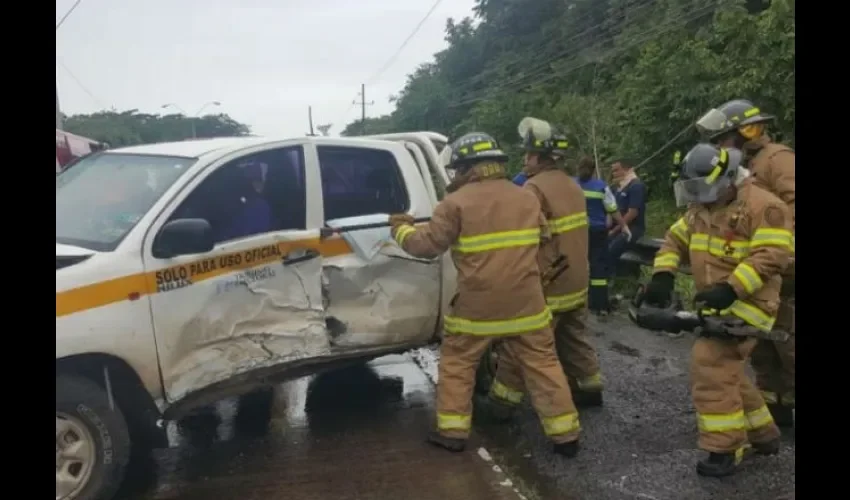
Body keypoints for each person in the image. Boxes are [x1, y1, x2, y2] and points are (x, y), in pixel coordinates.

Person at [389, 131, 581, 457]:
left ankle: (452, 432)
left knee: (457, 363)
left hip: (477, 308)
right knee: (544, 365)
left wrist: (400, 228)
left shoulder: (454, 204)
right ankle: (566, 437)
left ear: (467, 167)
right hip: (527, 305)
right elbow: (545, 240)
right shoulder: (527, 197)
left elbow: (426, 246)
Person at [643, 143, 791, 476]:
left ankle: (724, 447)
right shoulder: (701, 207)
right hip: (719, 301)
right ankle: (764, 434)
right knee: (727, 370)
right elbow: (674, 240)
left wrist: (731, 288)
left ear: (728, 179)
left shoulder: (765, 207)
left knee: (709, 361)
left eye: (705, 188)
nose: (700, 196)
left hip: (752, 303)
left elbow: (771, 255)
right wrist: (663, 275)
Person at [487, 117, 604, 411]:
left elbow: (524, 239)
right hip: (577, 280)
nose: (524, 160)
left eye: (529, 154)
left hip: (549, 284)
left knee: (522, 344)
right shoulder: (573, 185)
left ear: (541, 158)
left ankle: (502, 403)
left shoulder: (533, 189)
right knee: (575, 339)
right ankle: (590, 389)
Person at [695, 99, 796, 428]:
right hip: (757, 272)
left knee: (788, 344)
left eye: (723, 138)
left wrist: (779, 250)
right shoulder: (743, 167)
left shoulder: (776, 159)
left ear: (745, 134)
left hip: (782, 266)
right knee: (765, 345)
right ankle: (775, 407)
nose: (719, 146)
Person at [576, 156, 628, 315]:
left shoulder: (572, 184)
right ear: (593, 170)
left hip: (577, 230)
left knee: (578, 263)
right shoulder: (601, 187)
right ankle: (598, 303)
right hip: (597, 231)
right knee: (598, 265)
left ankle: (577, 301)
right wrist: (623, 226)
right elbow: (612, 208)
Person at [608, 158, 647, 264]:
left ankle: (608, 276)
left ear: (626, 169)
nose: (614, 174)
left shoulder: (636, 186)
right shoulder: (618, 187)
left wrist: (615, 230)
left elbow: (632, 213)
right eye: (613, 171)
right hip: (617, 227)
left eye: (616, 170)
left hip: (632, 228)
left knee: (611, 249)